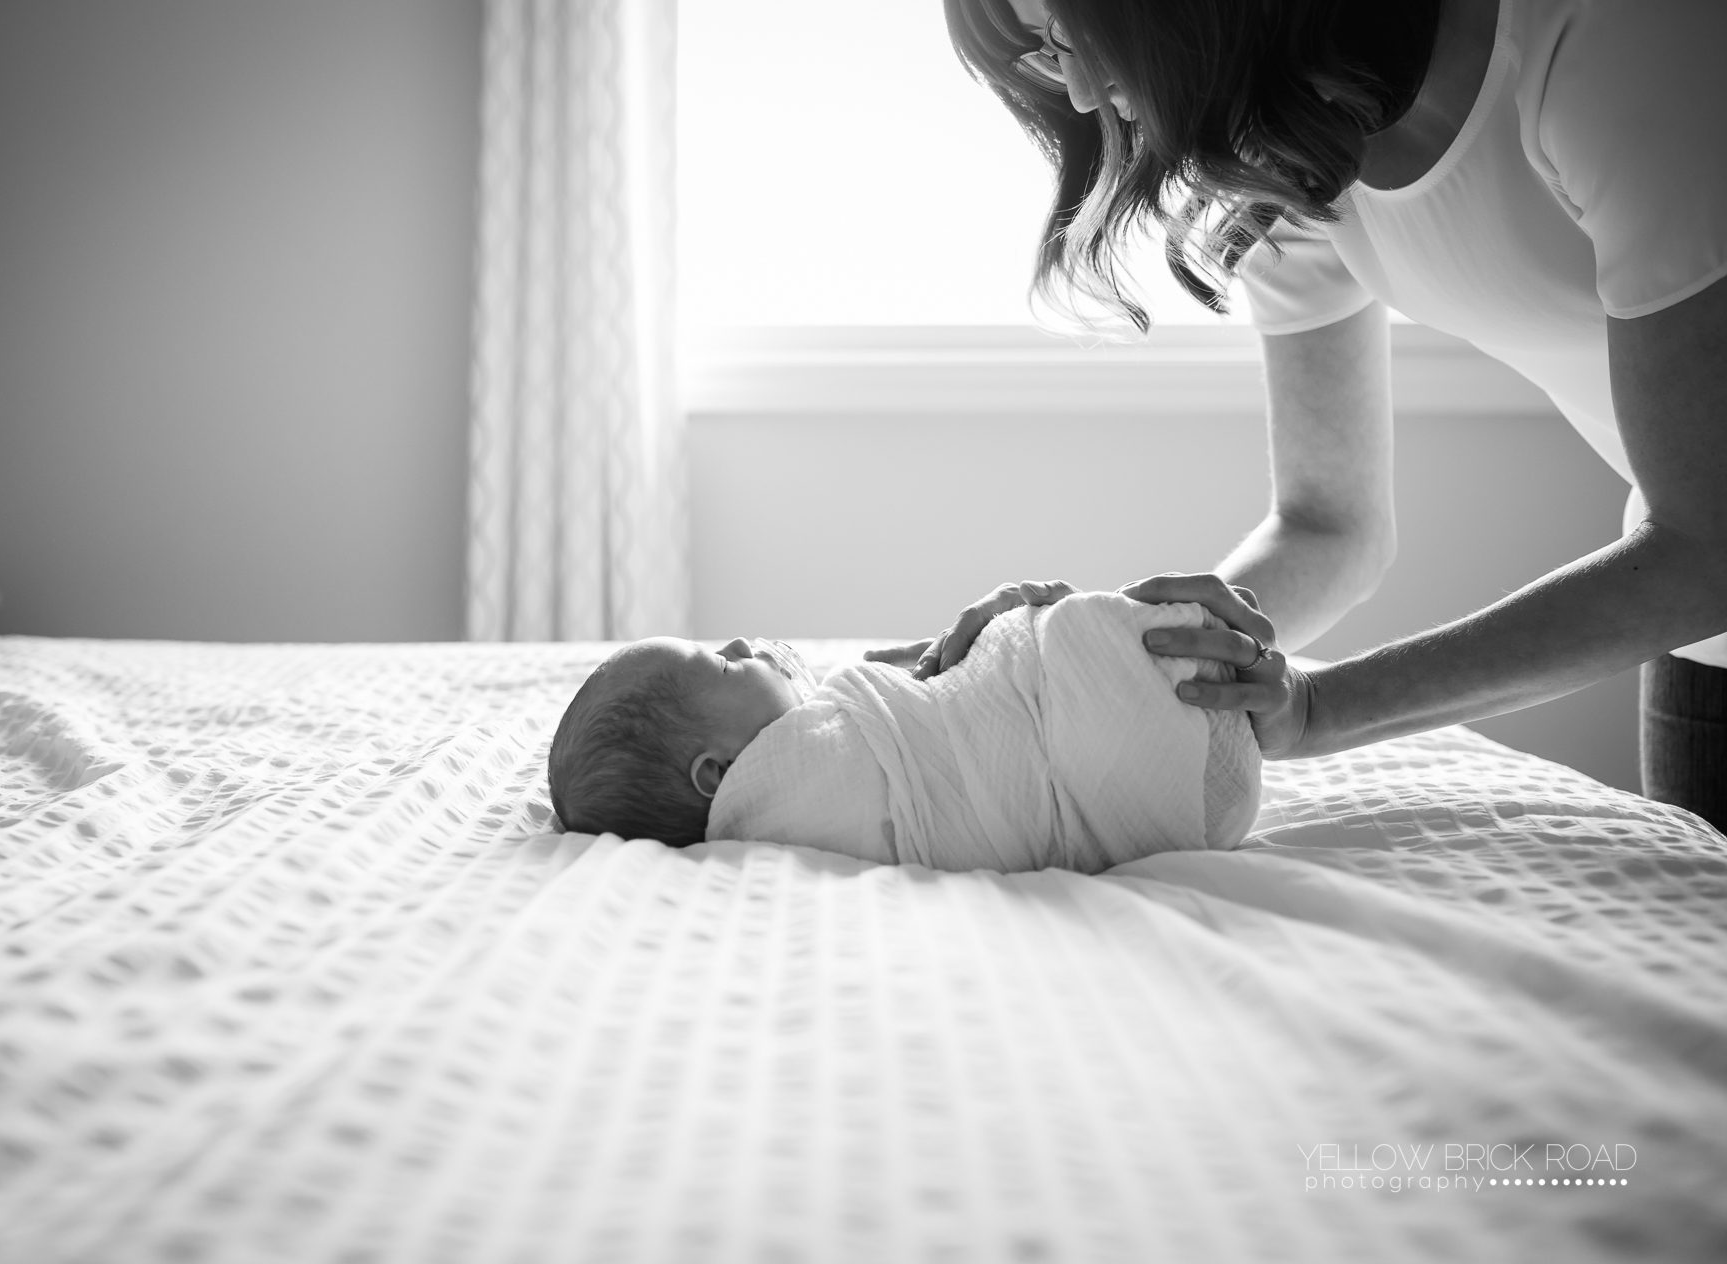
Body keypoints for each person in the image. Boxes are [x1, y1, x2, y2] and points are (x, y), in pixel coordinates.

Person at [922, 0, 1727, 828]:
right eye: (1049, 50)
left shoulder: (1615, 41)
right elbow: (1328, 525)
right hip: (1698, 638)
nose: (1085, 92)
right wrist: (1098, 655)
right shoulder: (1282, 162)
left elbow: (1709, 549)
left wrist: (1318, 708)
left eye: (1077, 24)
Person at [547, 582, 1263, 873]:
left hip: (1175, 792)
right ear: (717, 772)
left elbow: (921, 727)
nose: (741, 647)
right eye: (727, 668)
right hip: (1106, 766)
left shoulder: (801, 767)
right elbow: (926, 766)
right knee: (1071, 636)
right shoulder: (788, 792)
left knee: (1052, 648)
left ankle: (1176, 717)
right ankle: (1171, 702)